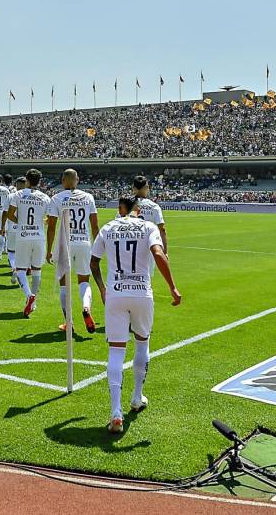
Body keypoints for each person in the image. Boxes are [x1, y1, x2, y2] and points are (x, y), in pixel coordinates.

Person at [90, 197, 182, 435]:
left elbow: (93, 262)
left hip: (116, 295)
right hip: (142, 293)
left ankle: (115, 412)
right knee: (142, 343)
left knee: (116, 351)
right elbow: (159, 254)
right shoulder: (147, 226)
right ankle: (137, 397)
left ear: (122, 211)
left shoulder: (109, 227)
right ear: (138, 211)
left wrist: (102, 288)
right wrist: (172, 286)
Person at [46, 168, 101, 333]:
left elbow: (51, 228)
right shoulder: (88, 197)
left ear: (63, 180)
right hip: (84, 242)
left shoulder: (56, 198)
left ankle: (68, 322)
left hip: (65, 244)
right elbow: (95, 225)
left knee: (64, 284)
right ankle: (86, 307)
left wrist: (49, 250)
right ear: (77, 180)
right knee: (84, 280)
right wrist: (98, 248)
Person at [4, 169, 51, 318]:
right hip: (39, 236)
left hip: (23, 235)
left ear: (27, 180)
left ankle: (29, 294)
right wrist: (40, 222)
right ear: (39, 181)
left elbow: (10, 214)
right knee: (37, 269)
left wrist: (21, 222)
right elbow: (50, 218)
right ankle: (34, 301)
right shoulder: (45, 197)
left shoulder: (17, 194)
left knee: (20, 270)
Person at [132, 175, 168, 253]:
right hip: (147, 248)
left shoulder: (126, 206)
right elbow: (162, 229)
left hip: (128, 248)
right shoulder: (154, 207)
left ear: (133, 188)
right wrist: (165, 252)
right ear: (147, 188)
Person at [4, 176, 26, 283]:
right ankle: (24, 269)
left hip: (12, 227)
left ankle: (14, 268)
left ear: (16, 185)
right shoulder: (30, 196)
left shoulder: (11, 196)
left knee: (11, 251)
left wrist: (2, 227)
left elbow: (5, 212)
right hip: (26, 229)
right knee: (23, 251)